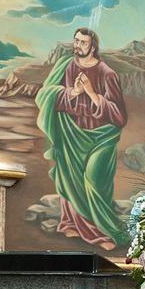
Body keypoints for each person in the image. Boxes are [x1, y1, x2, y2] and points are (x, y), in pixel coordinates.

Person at [35, 27, 129, 250]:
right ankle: (71, 223)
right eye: (76, 41)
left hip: (101, 137)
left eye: (83, 42)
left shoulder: (107, 74)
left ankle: (104, 231)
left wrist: (91, 92)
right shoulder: (66, 65)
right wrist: (74, 92)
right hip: (71, 133)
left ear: (93, 47)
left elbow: (119, 116)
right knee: (69, 177)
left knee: (94, 180)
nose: (77, 45)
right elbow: (45, 95)